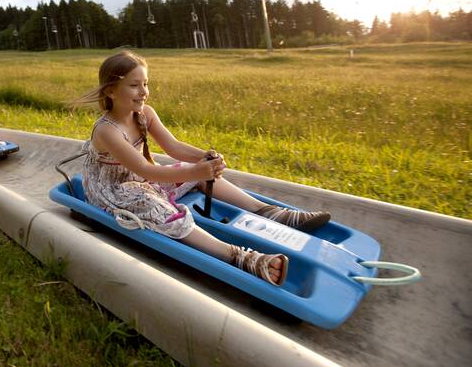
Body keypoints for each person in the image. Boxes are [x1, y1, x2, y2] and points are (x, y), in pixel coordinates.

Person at [73, 51, 330, 286]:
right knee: (154, 205)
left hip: (141, 178)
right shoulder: (107, 130)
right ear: (111, 91)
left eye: (145, 83)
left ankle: (271, 213)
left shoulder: (144, 113)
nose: (143, 91)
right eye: (134, 85)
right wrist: (196, 172)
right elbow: (147, 169)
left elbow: (173, 147)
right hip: (114, 190)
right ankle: (238, 256)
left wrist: (204, 158)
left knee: (186, 168)